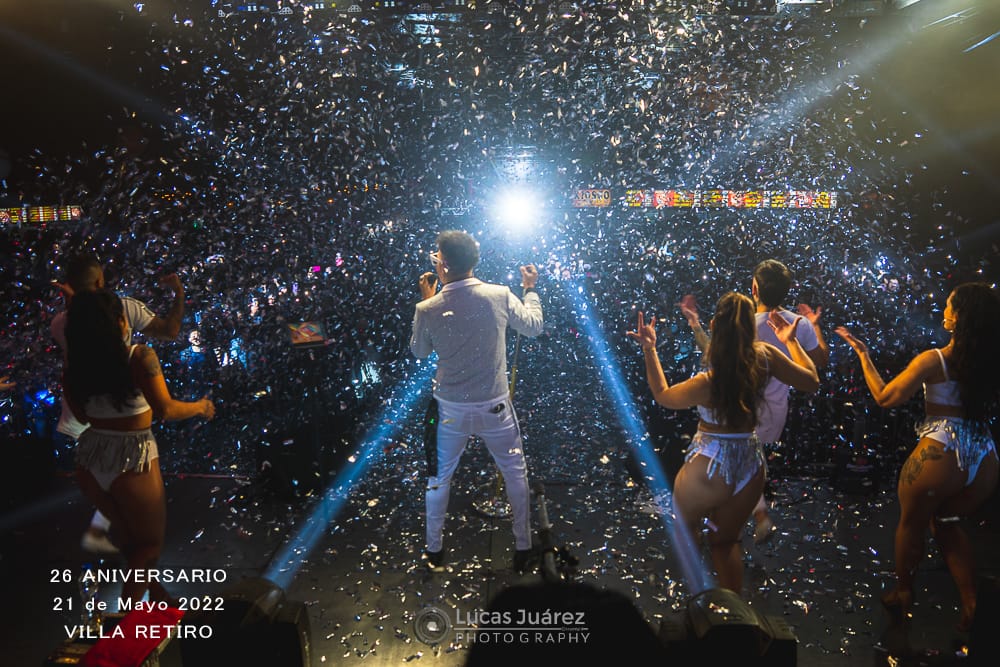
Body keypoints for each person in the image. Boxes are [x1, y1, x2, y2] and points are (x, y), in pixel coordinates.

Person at [627, 292, 818, 594]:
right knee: (726, 542)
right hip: (750, 465)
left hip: (710, 463)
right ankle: (734, 621)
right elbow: (811, 380)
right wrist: (791, 340)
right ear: (751, 329)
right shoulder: (766, 357)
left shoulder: (708, 382)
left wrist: (650, 349)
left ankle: (700, 609)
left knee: (687, 534)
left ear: (716, 325)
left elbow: (664, 396)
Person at [835, 282, 1000, 631]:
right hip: (985, 458)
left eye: (949, 304)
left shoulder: (935, 360)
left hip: (941, 450)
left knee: (911, 524)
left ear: (958, 319)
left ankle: (903, 592)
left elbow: (884, 397)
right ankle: (972, 605)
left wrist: (864, 356)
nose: (943, 307)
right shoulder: (990, 362)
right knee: (948, 524)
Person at [65, 290, 214, 605]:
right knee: (148, 547)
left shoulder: (73, 366)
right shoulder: (139, 357)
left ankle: (160, 599)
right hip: (132, 458)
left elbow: (81, 415)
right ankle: (125, 628)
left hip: (90, 458)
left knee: (130, 544)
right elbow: (166, 410)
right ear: (119, 321)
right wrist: (201, 406)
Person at [410, 230, 543, 573]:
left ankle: (435, 549)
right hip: (495, 409)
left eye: (437, 256)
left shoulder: (428, 306)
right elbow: (533, 326)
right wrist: (530, 290)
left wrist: (428, 300)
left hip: (449, 412)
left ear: (443, 265)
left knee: (439, 478)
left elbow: (420, 351)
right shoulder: (499, 294)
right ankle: (523, 547)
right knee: (515, 474)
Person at [679, 259, 828, 543]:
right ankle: (752, 517)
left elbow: (715, 356)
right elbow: (819, 361)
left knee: (731, 460)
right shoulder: (799, 324)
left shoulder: (746, 326)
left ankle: (728, 522)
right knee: (749, 461)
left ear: (754, 288)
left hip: (741, 412)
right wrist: (813, 327)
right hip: (776, 415)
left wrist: (695, 324)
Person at [51, 253, 186, 554]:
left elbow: (84, 338)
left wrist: (73, 305)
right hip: (130, 441)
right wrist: (179, 294)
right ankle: (135, 597)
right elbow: (170, 331)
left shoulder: (60, 323)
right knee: (148, 544)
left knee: (129, 535)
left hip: (89, 436)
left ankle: (152, 589)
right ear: (100, 281)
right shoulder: (125, 313)